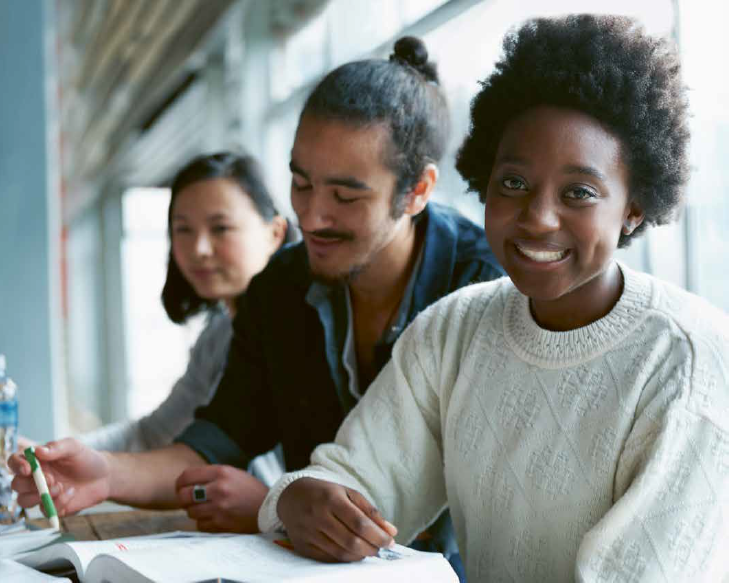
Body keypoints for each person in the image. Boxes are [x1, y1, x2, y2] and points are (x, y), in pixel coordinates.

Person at [259, 14, 729, 582]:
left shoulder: (691, 358)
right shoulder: (453, 329)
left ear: (633, 206)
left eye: (579, 192)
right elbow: (358, 481)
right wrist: (300, 499)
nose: (537, 217)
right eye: (513, 183)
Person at [9, 36, 502, 575]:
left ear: (418, 190)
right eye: (300, 182)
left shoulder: (483, 291)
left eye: (345, 195)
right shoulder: (282, 286)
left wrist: (272, 507)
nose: (312, 217)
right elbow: (217, 439)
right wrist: (103, 474)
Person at [77, 152, 289, 456]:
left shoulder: (291, 329)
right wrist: (52, 456)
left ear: (275, 233)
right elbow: (153, 434)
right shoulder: (217, 334)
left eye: (220, 228)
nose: (199, 249)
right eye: (183, 230)